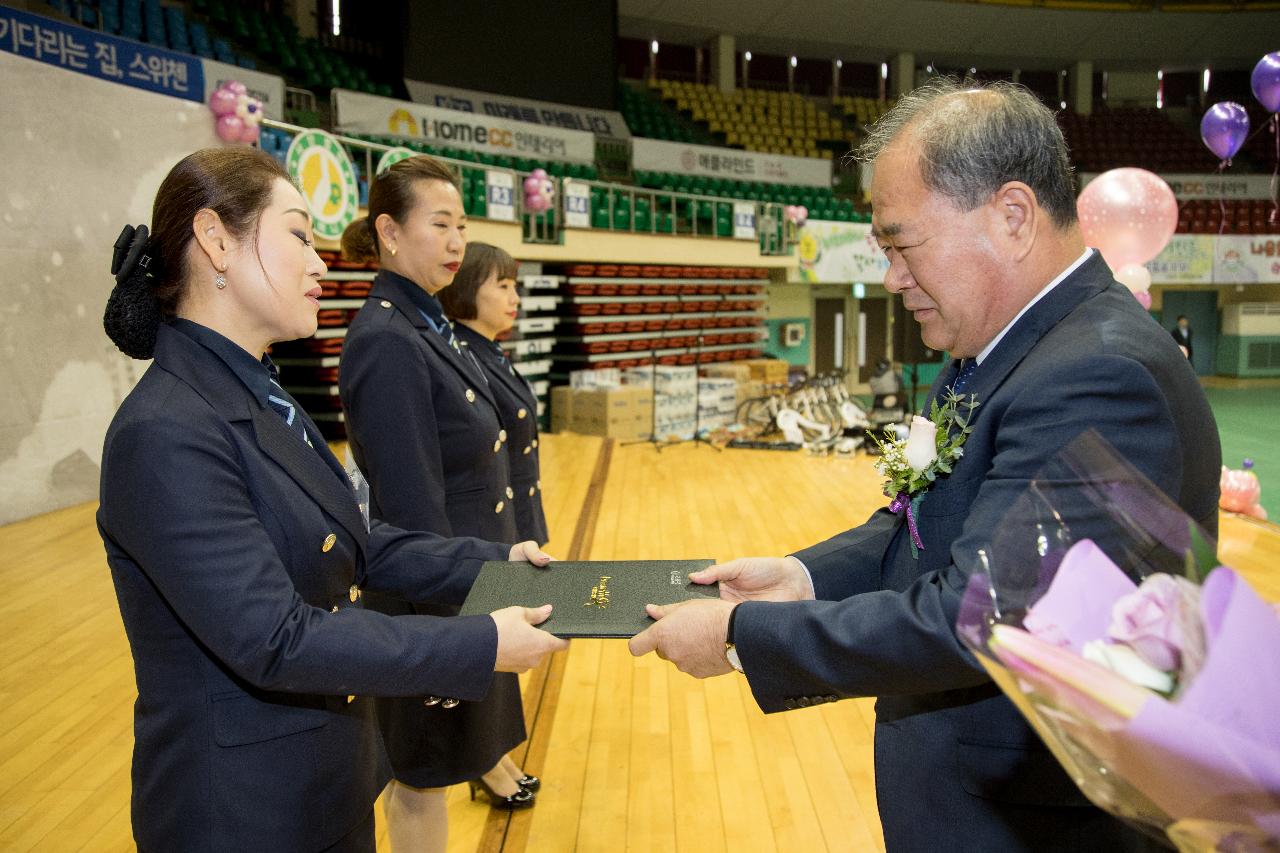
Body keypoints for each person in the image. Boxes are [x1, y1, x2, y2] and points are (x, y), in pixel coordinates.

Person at [629, 80, 1220, 853]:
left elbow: (982, 620)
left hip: (1038, 825)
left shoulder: (1096, 374)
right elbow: (918, 522)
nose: (890, 278)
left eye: (903, 245)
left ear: (1011, 216)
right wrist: (801, 577)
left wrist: (746, 634)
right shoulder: (994, 352)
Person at [97, 147, 566, 853]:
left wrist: (498, 562)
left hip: (325, 785)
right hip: (245, 816)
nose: (321, 262)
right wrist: (481, 640)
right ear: (215, 240)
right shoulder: (165, 430)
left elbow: (362, 542)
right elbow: (277, 637)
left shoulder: (258, 393)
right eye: (296, 235)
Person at [339, 157, 536, 853]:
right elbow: (412, 509)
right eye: (440, 224)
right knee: (420, 780)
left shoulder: (426, 325)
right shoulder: (387, 340)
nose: (457, 241)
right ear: (389, 231)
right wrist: (444, 640)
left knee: (439, 775)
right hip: (432, 604)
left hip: (463, 591)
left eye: (462, 225)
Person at [440, 242, 549, 548]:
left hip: (520, 518)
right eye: (503, 286)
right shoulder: (463, 357)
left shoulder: (487, 351)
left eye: (514, 286)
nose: (515, 298)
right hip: (493, 528)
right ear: (467, 287)